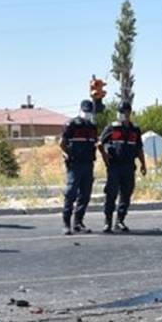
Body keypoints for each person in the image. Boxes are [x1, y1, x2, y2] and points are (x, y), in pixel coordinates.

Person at [98, 101, 146, 233]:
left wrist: (143, 164)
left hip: (129, 167)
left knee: (126, 194)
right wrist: (105, 157)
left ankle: (120, 221)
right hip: (114, 166)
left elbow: (139, 148)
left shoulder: (135, 129)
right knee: (111, 194)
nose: (122, 114)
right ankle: (108, 222)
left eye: (124, 112)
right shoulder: (112, 128)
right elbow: (100, 143)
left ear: (129, 113)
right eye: (120, 112)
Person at [60, 100, 100, 234]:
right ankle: (66, 223)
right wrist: (67, 154)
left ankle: (78, 222)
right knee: (71, 192)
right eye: (85, 111)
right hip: (75, 164)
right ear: (80, 110)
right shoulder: (71, 124)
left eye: (89, 111)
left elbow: (95, 143)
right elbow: (62, 143)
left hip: (88, 164)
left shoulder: (93, 126)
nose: (87, 114)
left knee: (85, 194)